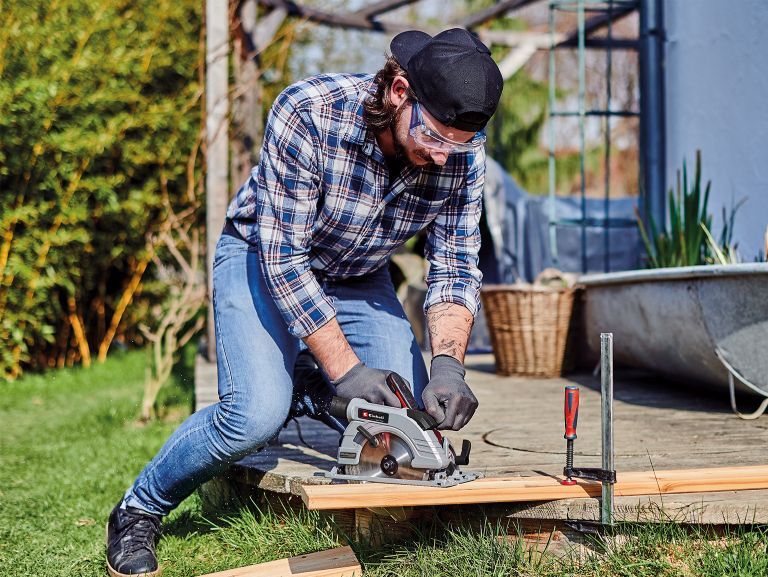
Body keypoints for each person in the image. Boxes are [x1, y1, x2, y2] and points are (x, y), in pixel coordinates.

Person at [105, 28, 504, 577]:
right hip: (262, 257)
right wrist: (345, 367)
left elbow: (455, 262)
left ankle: (310, 386)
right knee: (254, 416)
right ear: (400, 91)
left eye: (457, 144)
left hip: (360, 274)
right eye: (436, 136)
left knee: (403, 416)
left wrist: (449, 367)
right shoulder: (310, 112)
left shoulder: (462, 152)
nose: (442, 157)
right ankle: (138, 510)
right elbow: (284, 258)